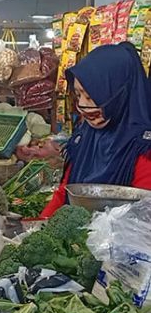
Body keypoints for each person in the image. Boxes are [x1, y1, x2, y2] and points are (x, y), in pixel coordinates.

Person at [41, 42, 151, 217]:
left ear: (119, 93)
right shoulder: (83, 138)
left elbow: (144, 214)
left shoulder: (143, 148)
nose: (83, 105)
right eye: (78, 95)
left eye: (91, 96)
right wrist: (38, 226)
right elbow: (64, 193)